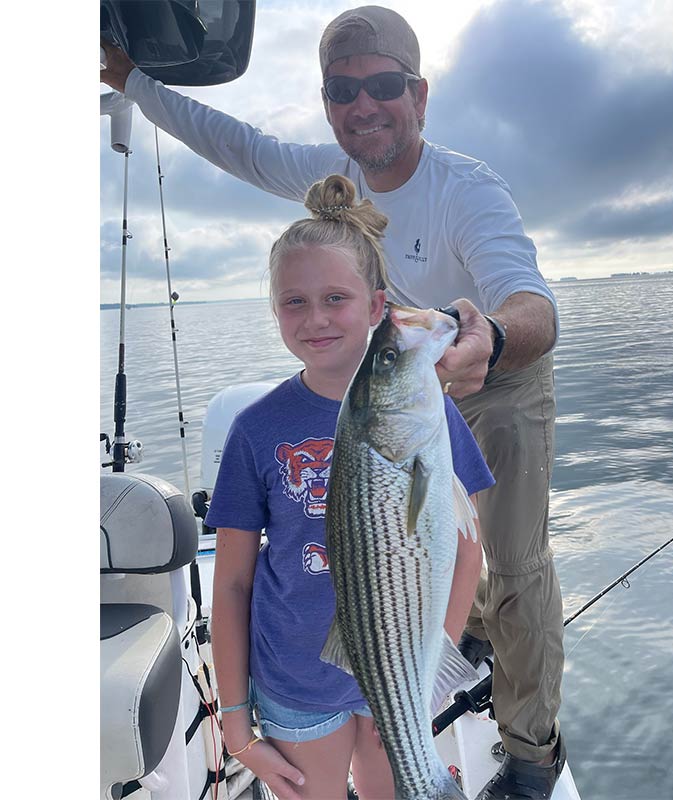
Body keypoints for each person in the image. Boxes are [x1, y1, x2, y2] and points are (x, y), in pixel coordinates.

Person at [102, 6, 566, 797]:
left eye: (384, 86)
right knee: (411, 535)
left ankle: (529, 749)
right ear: (327, 102)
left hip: (494, 363)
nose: (364, 105)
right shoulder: (332, 172)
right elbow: (231, 142)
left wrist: (485, 330)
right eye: (343, 90)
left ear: (419, 95)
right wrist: (132, 81)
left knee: (513, 565)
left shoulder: (467, 189)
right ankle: (430, 630)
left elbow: (535, 305)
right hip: (389, 381)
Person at [204, 173, 494, 800]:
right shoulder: (256, 431)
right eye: (294, 302)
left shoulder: (430, 412)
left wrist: (431, 665)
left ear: (377, 306)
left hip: (403, 667)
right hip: (294, 676)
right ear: (274, 310)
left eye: (336, 297)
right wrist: (234, 723)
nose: (316, 318)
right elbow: (230, 581)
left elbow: (468, 547)